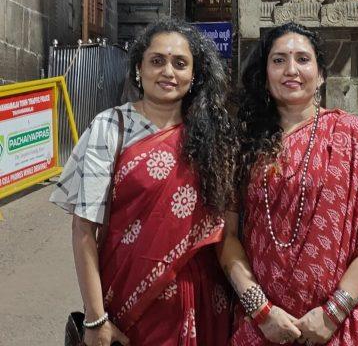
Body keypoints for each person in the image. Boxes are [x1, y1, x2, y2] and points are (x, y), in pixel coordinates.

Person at [217, 22, 358, 346]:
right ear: (265, 74)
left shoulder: (355, 138)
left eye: (303, 59)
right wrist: (261, 311)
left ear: (320, 75)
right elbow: (226, 236)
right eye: (279, 60)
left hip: (340, 325)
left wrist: (333, 312)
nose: (291, 69)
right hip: (262, 327)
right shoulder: (243, 145)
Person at [51, 19, 234, 346]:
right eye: (157, 61)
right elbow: (83, 228)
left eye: (180, 63)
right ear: (139, 69)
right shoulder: (110, 127)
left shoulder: (213, 136)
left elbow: (227, 230)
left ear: (194, 75)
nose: (168, 72)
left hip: (203, 301)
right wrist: (95, 317)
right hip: (128, 302)